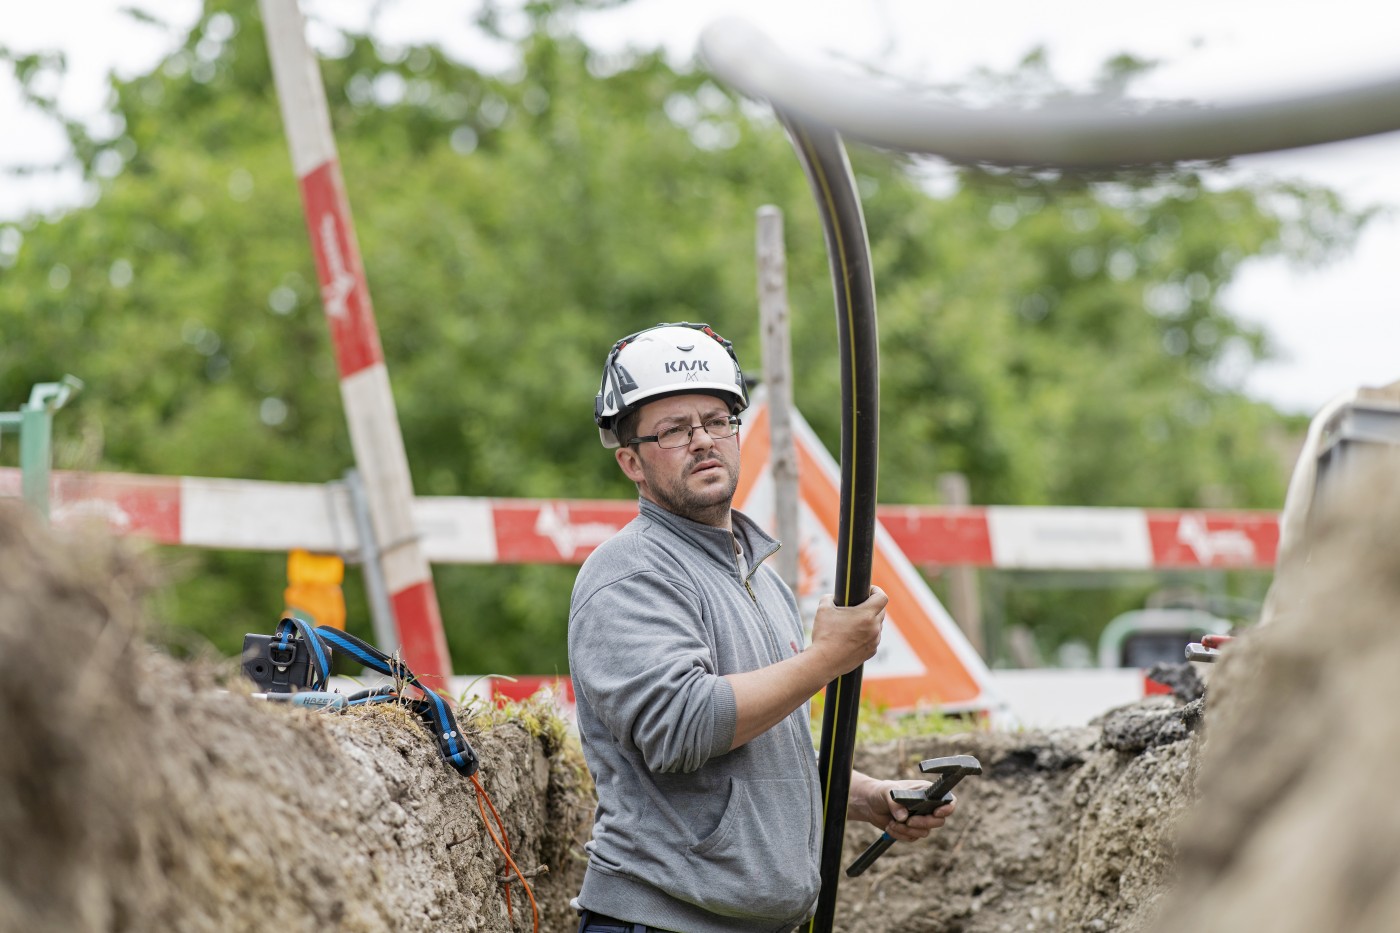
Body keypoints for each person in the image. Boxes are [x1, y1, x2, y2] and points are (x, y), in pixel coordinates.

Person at [568, 322, 956, 933]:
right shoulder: (628, 572)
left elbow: (765, 750)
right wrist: (826, 658)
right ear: (631, 463)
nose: (702, 441)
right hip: (664, 922)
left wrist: (865, 799)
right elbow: (682, 727)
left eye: (716, 420)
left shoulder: (762, 580)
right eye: (672, 429)